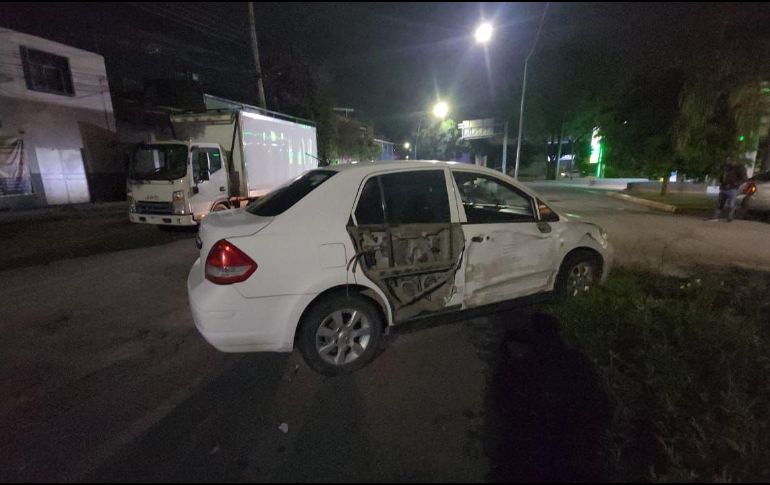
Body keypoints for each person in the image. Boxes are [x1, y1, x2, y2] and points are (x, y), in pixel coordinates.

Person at [711, 157, 747, 222]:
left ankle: (729, 217)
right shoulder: (727, 168)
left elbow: (744, 179)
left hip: (732, 188)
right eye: (728, 160)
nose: (728, 161)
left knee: (731, 203)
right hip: (724, 187)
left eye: (730, 160)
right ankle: (715, 217)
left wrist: (735, 184)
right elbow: (722, 176)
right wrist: (721, 180)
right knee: (720, 202)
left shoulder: (740, 168)